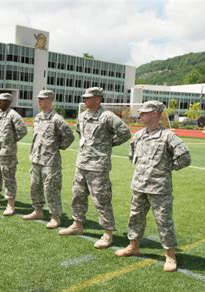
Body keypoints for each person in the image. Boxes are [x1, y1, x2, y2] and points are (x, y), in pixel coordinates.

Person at [116, 101, 191, 272]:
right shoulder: (139, 135)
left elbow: (185, 158)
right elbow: (132, 155)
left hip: (159, 188)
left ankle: (170, 255)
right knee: (135, 217)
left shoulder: (168, 136)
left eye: (144, 112)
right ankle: (133, 246)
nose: (140, 115)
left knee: (163, 222)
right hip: (139, 186)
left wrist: (167, 168)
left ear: (155, 114)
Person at [59, 87, 131, 249]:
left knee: (101, 199)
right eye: (84, 97)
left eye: (88, 97)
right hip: (82, 163)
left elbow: (125, 132)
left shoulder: (107, 117)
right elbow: (80, 133)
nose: (84, 100)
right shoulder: (83, 116)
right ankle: (77, 224)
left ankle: (107, 233)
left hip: (98, 166)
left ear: (98, 99)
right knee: (77, 195)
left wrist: (109, 144)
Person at [23, 90, 74, 228]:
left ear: (51, 100)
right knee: (35, 186)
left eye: (43, 99)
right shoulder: (38, 117)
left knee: (51, 189)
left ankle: (55, 216)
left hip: (50, 162)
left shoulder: (57, 119)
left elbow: (69, 136)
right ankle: (38, 210)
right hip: (36, 159)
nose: (39, 101)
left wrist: (56, 147)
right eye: (38, 98)